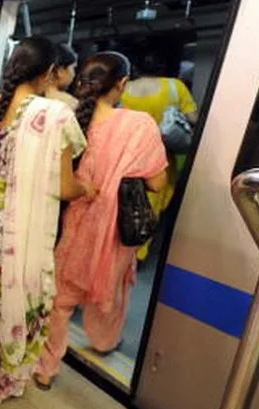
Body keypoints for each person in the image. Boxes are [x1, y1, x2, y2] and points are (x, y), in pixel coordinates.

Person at [0, 37, 92, 409]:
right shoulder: (56, 116)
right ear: (48, 73)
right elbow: (62, 186)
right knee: (17, 305)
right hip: (17, 236)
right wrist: (88, 188)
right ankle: (2, 381)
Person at [35, 52, 167, 389]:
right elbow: (156, 182)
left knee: (61, 301)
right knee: (113, 285)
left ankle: (46, 368)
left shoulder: (69, 120)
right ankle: (103, 342)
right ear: (121, 84)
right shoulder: (139, 125)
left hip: (74, 222)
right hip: (115, 229)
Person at [121, 49, 198, 261]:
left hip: (126, 155)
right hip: (160, 158)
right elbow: (193, 118)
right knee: (152, 205)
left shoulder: (125, 88)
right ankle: (137, 253)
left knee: (124, 201)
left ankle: (120, 248)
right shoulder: (175, 87)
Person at [47, 43, 79, 110]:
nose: (74, 74)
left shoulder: (30, 100)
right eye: (73, 68)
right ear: (60, 71)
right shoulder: (70, 103)